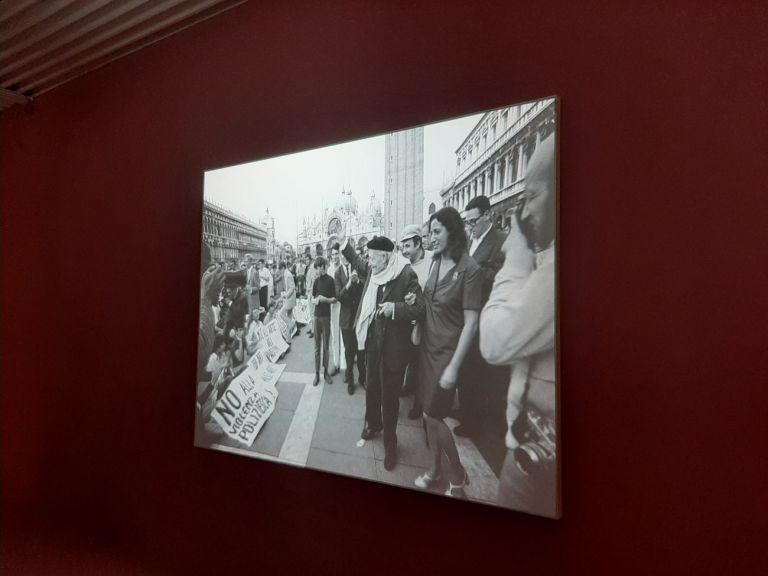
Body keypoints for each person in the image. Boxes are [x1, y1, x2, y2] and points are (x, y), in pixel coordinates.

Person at [480, 134, 557, 517]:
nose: (523, 214)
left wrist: (515, 258)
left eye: (532, 196)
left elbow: (494, 340)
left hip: (539, 463)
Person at [412, 207, 482, 498]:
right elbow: (428, 299)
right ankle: (434, 469)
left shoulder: (470, 269)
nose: (431, 238)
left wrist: (454, 366)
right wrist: (417, 322)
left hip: (447, 354)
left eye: (436, 232)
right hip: (427, 348)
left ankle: (458, 472)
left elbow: (472, 323)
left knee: (433, 416)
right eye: (429, 233)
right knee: (427, 417)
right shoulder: (435, 261)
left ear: (453, 231)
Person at [341, 232, 425, 471]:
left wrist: (395, 308)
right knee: (372, 388)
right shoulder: (375, 270)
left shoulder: (406, 274)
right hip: (372, 344)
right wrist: (343, 242)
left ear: (387, 257)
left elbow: (419, 308)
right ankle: (373, 424)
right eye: (369, 257)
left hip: (394, 349)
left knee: (389, 398)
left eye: (373, 258)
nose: (369, 262)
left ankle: (391, 444)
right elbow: (358, 262)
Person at [453, 194, 509, 438]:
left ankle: (474, 422)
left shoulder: (501, 242)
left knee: (477, 371)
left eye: (473, 221)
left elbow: (497, 276)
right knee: (465, 367)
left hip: (485, 317)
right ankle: (465, 410)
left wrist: (468, 273)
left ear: (488, 215)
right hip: (464, 315)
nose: (470, 226)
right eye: (467, 222)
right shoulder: (468, 241)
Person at [399, 224, 433, 419]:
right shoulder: (405, 265)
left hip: (427, 322)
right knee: (411, 359)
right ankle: (409, 387)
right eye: (402, 246)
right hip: (409, 322)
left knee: (422, 364)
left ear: (419, 243)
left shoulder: (432, 261)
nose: (405, 251)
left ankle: (419, 404)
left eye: (408, 246)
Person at [334, 251, 365, 395]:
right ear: (340, 258)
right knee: (348, 351)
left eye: (347, 256)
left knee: (361, 350)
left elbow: (364, 290)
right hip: (346, 319)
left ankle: (363, 378)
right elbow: (339, 296)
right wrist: (348, 284)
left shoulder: (357, 268)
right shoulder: (337, 273)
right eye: (342, 257)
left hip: (358, 317)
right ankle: (350, 379)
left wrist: (357, 281)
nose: (345, 259)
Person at [311, 256, 336, 386]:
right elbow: (313, 297)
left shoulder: (331, 281)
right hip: (316, 316)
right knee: (316, 347)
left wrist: (323, 299)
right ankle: (316, 373)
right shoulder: (316, 282)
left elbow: (334, 299)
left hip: (326, 317)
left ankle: (325, 372)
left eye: (317, 268)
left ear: (323, 267)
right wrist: (315, 300)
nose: (316, 271)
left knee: (326, 346)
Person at [327, 243, 345, 376]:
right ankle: (336, 363)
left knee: (343, 335)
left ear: (340, 254)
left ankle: (344, 366)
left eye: (336, 254)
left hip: (343, 304)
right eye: (332, 254)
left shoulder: (344, 267)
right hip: (333, 305)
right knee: (334, 335)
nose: (334, 257)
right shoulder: (329, 269)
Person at [303, 253, 316, 337]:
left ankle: (314, 330)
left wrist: (311, 292)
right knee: (310, 312)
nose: (306, 261)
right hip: (308, 292)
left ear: (310, 260)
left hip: (312, 293)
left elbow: (314, 282)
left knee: (312, 312)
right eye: (305, 260)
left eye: (307, 259)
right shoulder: (307, 268)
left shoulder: (312, 268)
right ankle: (312, 328)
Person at [245, 254, 261, 319]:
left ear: (251, 262)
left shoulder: (255, 272)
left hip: (254, 302)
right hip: (248, 302)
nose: (245, 263)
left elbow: (258, 287)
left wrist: (251, 289)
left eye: (247, 261)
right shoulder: (246, 271)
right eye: (245, 261)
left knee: (254, 321)